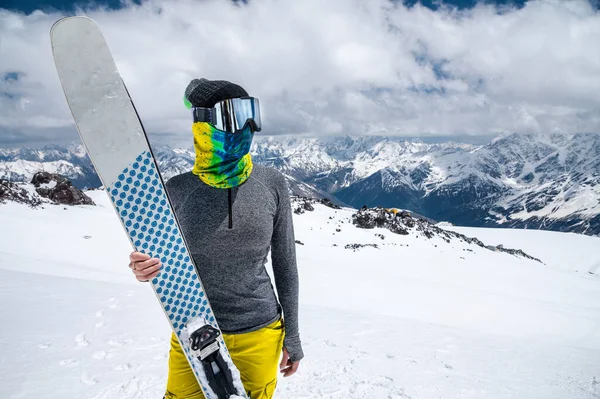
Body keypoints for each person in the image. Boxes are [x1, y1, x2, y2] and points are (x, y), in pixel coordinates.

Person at [127, 78, 303, 399]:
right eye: (234, 116)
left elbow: (286, 266)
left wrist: (293, 335)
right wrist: (144, 268)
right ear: (203, 125)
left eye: (252, 113)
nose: (247, 126)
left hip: (260, 332)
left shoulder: (272, 183)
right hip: (193, 329)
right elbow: (157, 259)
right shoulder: (177, 190)